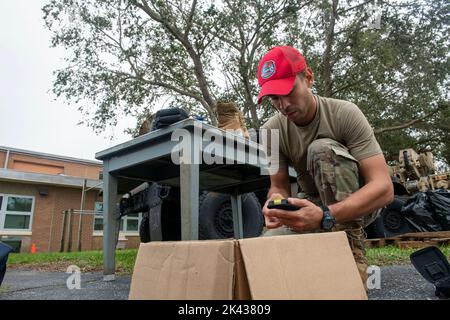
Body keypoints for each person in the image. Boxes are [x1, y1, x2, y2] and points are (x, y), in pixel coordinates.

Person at [258, 46, 394, 284]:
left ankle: (350, 245)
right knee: (266, 253)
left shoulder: (345, 113)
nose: (282, 105)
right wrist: (274, 205)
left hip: (359, 202)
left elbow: (383, 188)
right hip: (312, 203)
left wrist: (326, 215)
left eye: (288, 91)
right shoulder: (270, 131)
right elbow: (277, 186)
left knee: (322, 149)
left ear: (308, 77)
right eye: (273, 98)